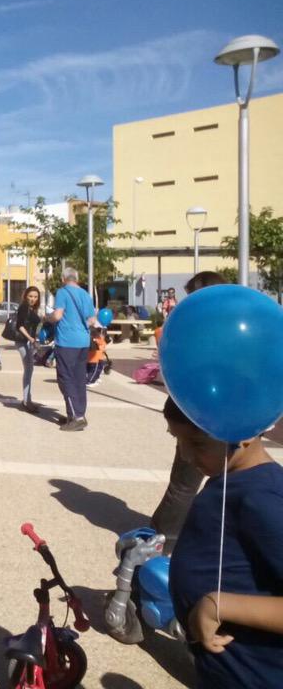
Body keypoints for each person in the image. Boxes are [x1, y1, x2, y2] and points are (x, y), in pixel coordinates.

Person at [164, 396, 283, 688]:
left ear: (246, 432)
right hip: (220, 669)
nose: (186, 455)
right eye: (177, 440)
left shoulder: (264, 500)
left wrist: (219, 605)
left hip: (252, 674)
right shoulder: (228, 475)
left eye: (198, 443)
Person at [151, 270, 227, 549]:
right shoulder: (234, 324)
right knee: (223, 483)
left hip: (199, 411)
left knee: (184, 484)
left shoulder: (192, 327)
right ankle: (163, 536)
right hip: (224, 413)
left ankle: (162, 539)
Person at [45, 267, 96, 431]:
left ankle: (77, 417)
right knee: (79, 378)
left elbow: (58, 315)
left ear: (63, 279)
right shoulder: (85, 294)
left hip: (67, 342)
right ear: (77, 278)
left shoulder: (62, 292)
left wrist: (47, 317)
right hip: (83, 341)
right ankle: (77, 412)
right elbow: (92, 320)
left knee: (65, 378)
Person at [13, 287, 43, 412]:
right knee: (29, 369)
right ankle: (26, 401)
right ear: (26, 296)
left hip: (28, 342)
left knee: (29, 370)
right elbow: (20, 326)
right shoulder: (24, 307)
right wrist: (31, 338)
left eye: (35, 297)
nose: (33, 299)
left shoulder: (32, 308)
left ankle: (27, 399)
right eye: (30, 296)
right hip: (22, 341)